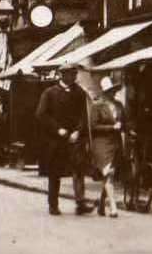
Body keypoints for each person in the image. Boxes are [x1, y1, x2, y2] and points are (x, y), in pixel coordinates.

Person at [35, 65, 91, 216]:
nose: (74, 77)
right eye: (70, 74)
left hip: (74, 138)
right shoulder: (50, 93)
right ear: (62, 75)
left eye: (75, 74)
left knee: (78, 169)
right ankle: (53, 205)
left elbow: (84, 115)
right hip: (56, 140)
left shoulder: (79, 93)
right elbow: (41, 114)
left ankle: (80, 203)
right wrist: (57, 129)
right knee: (55, 172)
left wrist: (78, 131)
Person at [90, 76, 126, 218]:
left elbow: (125, 121)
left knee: (109, 175)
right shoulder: (97, 105)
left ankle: (100, 206)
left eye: (113, 90)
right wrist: (112, 127)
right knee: (108, 174)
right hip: (101, 144)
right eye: (109, 91)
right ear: (104, 92)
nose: (112, 93)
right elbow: (94, 126)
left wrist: (128, 129)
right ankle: (113, 207)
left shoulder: (119, 105)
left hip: (116, 143)